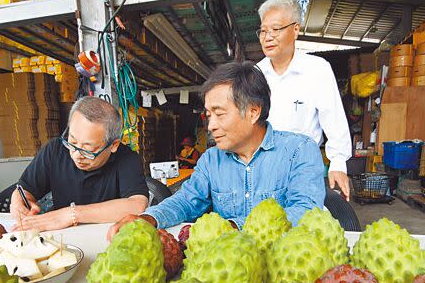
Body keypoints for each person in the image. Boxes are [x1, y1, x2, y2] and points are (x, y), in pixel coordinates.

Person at [107, 61, 326, 240]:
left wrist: (234, 226)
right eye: (209, 116)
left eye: (220, 114)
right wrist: (149, 218)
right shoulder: (212, 160)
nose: (211, 126)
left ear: (253, 112)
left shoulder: (299, 150)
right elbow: (186, 200)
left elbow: (305, 211)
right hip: (229, 271)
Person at [256, 0, 352, 200]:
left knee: (302, 223)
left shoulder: (317, 69)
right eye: (263, 31)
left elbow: (333, 120)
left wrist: (338, 163)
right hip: (262, 170)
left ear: (295, 29)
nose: (268, 37)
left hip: (304, 168)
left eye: (276, 29)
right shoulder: (255, 74)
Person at [10, 96, 148, 232]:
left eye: (88, 150)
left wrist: (72, 214)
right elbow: (24, 189)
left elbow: (137, 205)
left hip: (107, 237)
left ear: (113, 145)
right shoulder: (55, 150)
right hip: (63, 238)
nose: (77, 155)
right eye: (72, 142)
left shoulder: (127, 159)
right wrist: (19, 202)